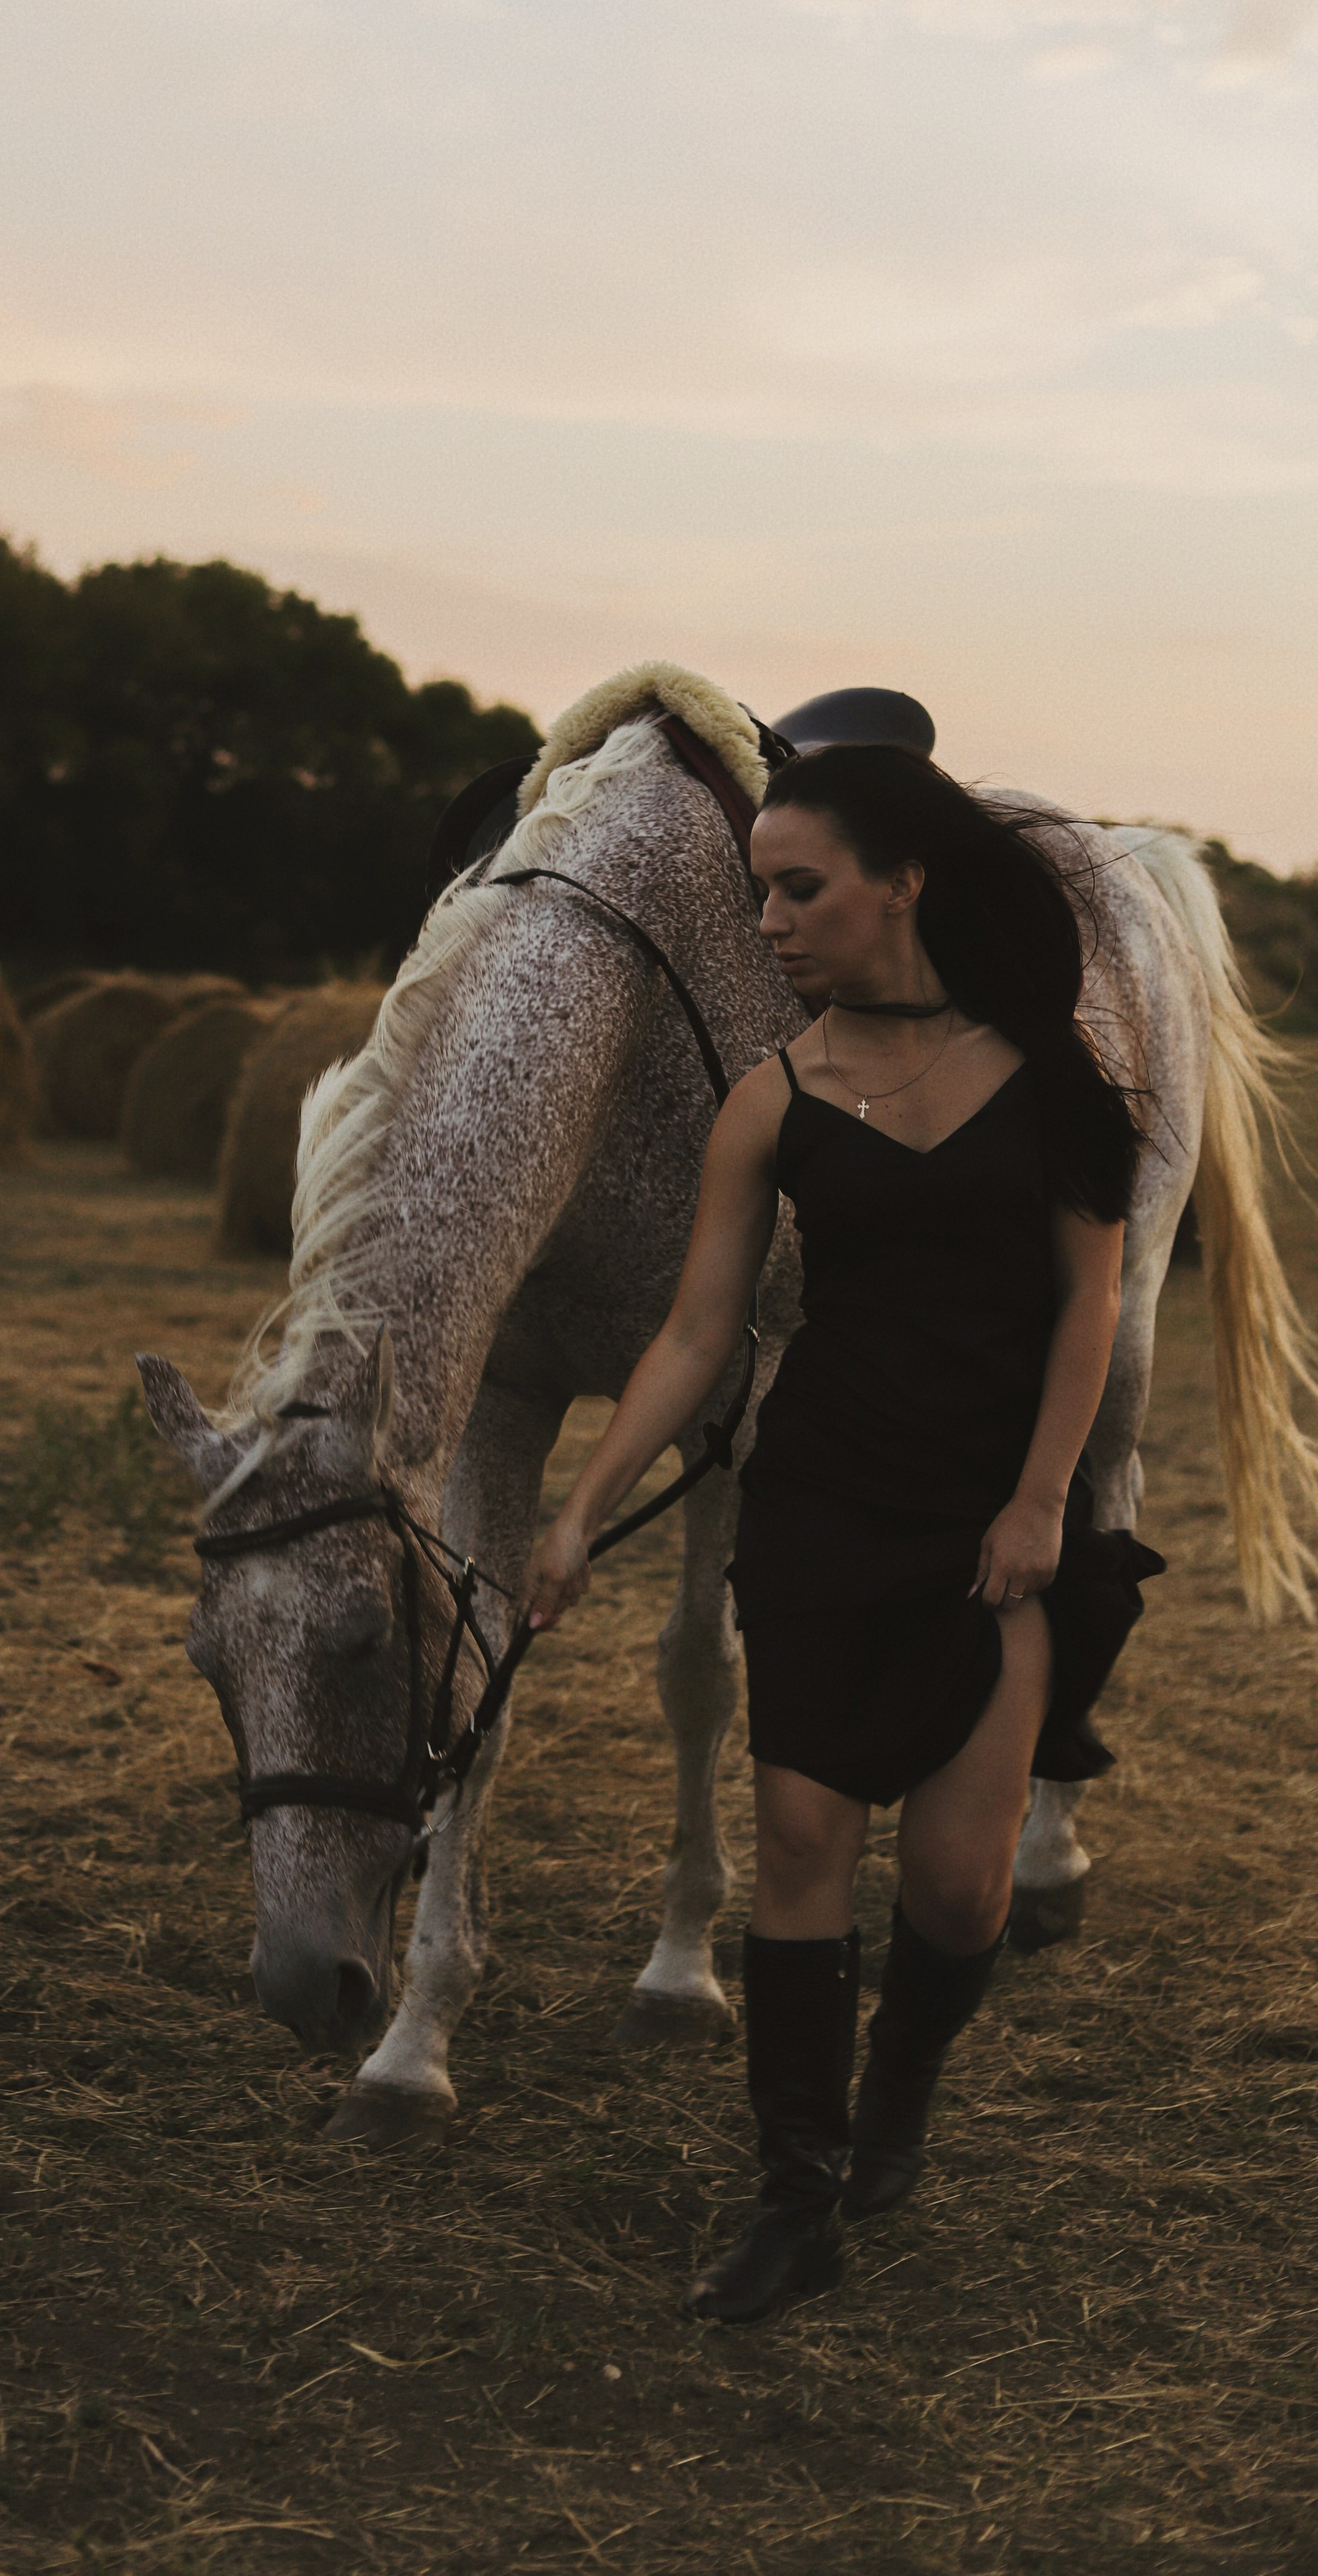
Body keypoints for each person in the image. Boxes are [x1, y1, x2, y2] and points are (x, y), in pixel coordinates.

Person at [521, 743, 1161, 2327]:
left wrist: (1035, 1502)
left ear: (903, 883)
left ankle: (896, 2097)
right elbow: (692, 1336)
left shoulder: (1057, 1083)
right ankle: (791, 2197)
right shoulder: (775, 1096)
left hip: (982, 1525)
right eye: (759, 894)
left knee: (954, 1897)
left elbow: (1090, 1306)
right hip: (816, 1506)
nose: (771, 922)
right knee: (801, 1848)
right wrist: (578, 1514)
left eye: (797, 888)